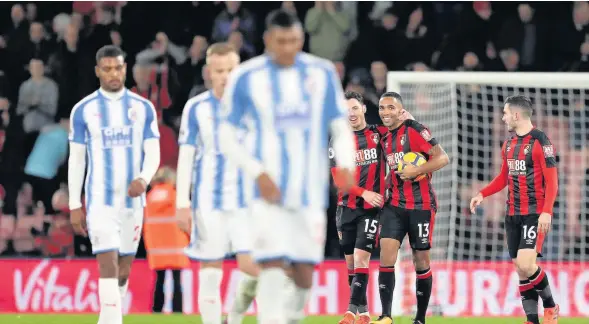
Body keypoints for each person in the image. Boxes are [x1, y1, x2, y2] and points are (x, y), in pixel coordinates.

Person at [218, 9, 356, 324]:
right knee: (272, 264)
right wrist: (257, 172)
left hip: (309, 192)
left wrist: (346, 163)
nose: (287, 48)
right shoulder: (247, 76)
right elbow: (226, 134)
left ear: (301, 39)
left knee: (304, 275)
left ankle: (289, 318)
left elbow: (339, 125)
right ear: (268, 39)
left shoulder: (321, 74)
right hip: (266, 193)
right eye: (281, 41)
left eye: (294, 41)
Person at [68, 45, 161, 324]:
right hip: (100, 202)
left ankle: (107, 316)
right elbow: (77, 160)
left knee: (123, 270)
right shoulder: (83, 110)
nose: (113, 73)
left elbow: (153, 152)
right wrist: (75, 204)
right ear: (98, 71)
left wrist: (144, 178)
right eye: (107, 69)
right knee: (106, 263)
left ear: (125, 68)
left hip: (133, 204)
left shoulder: (143, 108)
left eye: (117, 68)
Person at [175, 42, 260, 324]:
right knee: (211, 269)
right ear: (208, 72)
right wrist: (181, 204)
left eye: (231, 70)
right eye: (219, 70)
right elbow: (186, 156)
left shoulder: (254, 107)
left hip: (246, 202)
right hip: (207, 201)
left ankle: (234, 317)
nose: (225, 76)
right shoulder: (196, 108)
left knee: (252, 268)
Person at [470, 95, 559, 324]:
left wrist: (546, 211)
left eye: (506, 113)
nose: (503, 118)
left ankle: (550, 306)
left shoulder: (541, 141)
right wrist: (482, 194)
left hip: (534, 213)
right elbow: (503, 178)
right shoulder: (508, 144)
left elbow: (553, 181)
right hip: (512, 215)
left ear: (517, 115)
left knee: (527, 264)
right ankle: (532, 319)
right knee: (520, 269)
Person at [374, 92, 449, 324]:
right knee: (386, 256)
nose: (386, 112)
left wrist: (415, 171)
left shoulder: (415, 130)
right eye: (382, 108)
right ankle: (386, 315)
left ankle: (420, 318)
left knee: (421, 261)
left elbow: (442, 158)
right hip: (393, 205)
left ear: (400, 110)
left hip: (421, 205)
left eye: (391, 108)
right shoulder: (385, 137)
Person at [330, 91, 386, 324]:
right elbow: (338, 179)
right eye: (346, 110)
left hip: (370, 210)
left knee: (363, 260)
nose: (351, 113)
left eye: (355, 108)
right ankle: (363, 314)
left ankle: (350, 312)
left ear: (363, 109)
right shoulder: (338, 140)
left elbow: (402, 138)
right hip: (346, 208)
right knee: (352, 266)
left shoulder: (379, 135)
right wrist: (364, 192)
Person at [144, 167, 189, 313]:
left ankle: (157, 310)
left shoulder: (149, 197)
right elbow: (186, 219)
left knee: (159, 280)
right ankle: (177, 311)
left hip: (156, 247)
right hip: (175, 246)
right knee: (177, 281)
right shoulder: (176, 196)